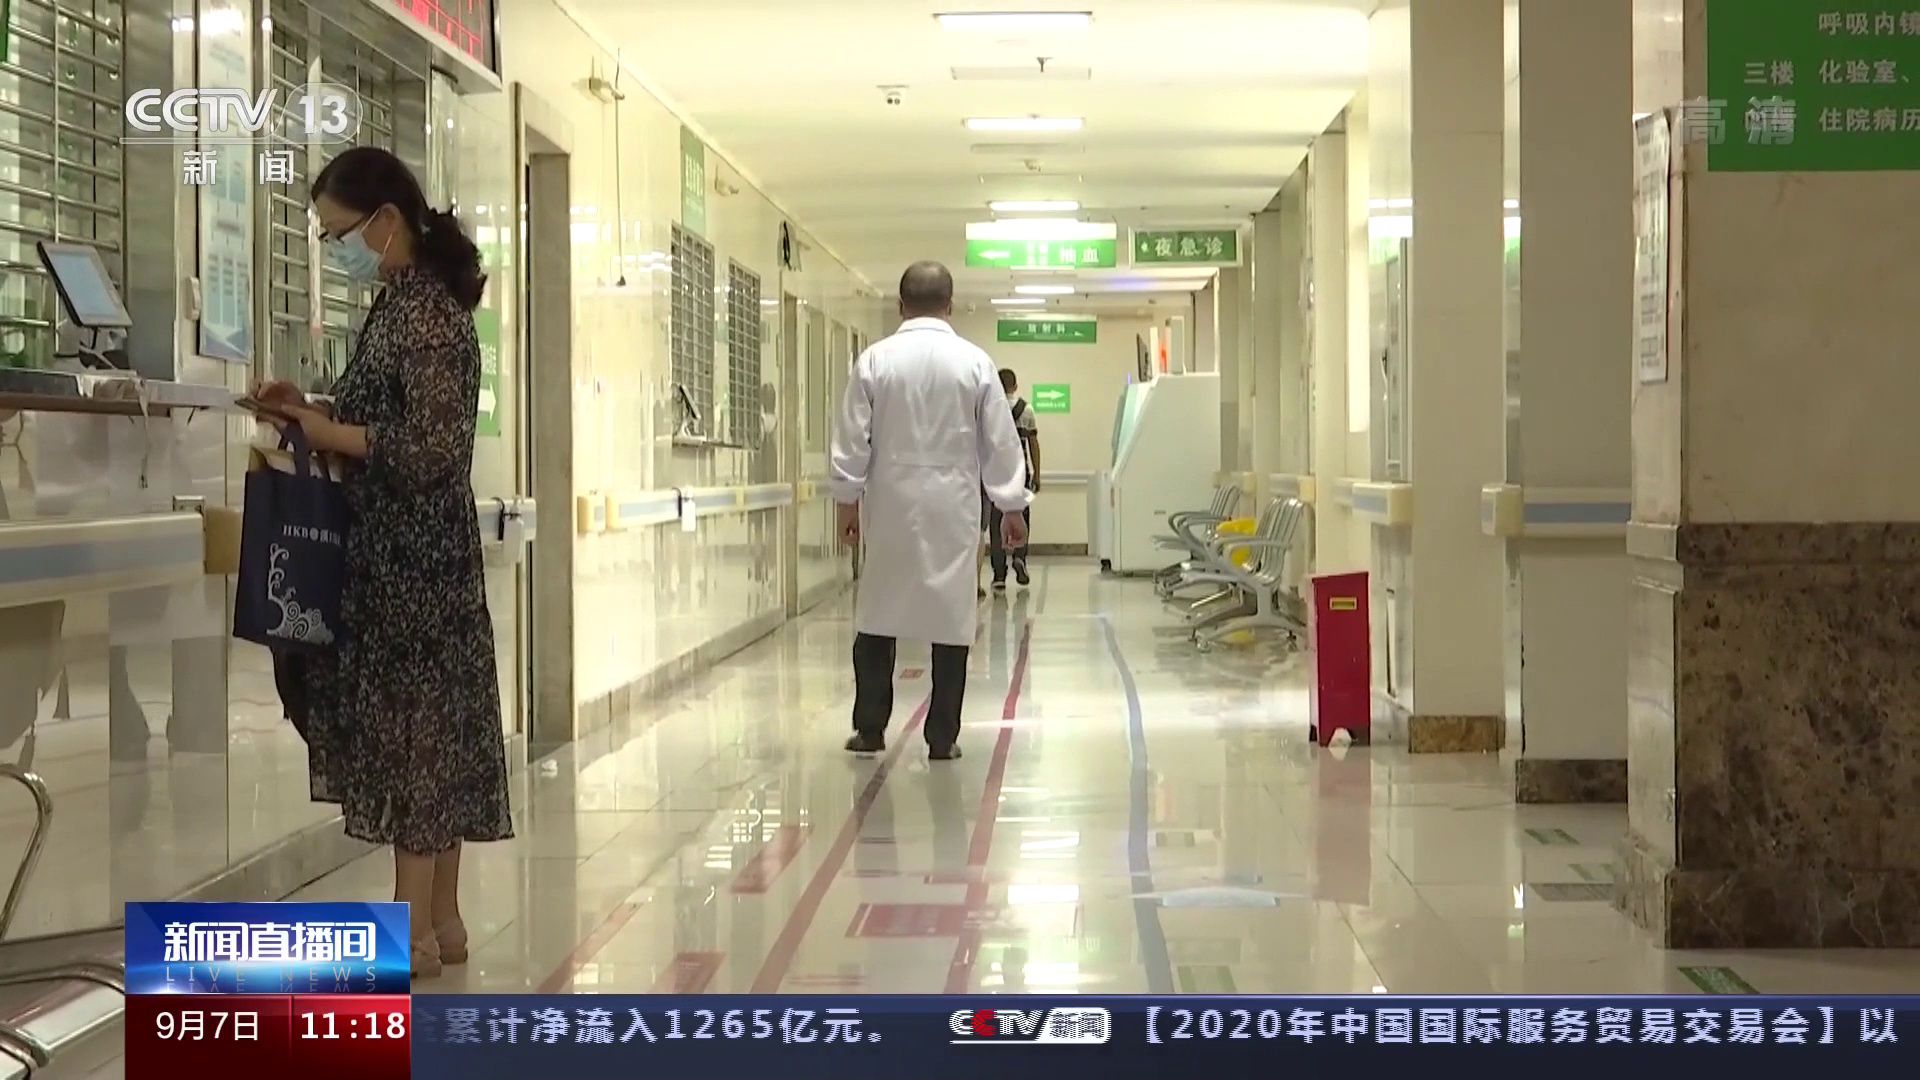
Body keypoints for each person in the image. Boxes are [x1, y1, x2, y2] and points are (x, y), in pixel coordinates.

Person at [249, 146, 512, 979]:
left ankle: (414, 932)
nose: (339, 252)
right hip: (401, 558)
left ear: (388, 222)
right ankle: (443, 923)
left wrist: (326, 432)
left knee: (417, 741)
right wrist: (308, 411)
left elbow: (429, 448)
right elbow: (384, 417)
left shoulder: (426, 314)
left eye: (341, 235)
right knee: (431, 735)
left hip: (415, 568)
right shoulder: (402, 306)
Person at [831, 261, 1030, 760]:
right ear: (950, 304)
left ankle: (870, 728)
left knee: (877, 614)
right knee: (951, 618)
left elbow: (852, 438)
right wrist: (1011, 505)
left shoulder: (875, 361)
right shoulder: (975, 364)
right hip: (953, 507)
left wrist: (846, 500)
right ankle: (942, 736)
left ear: (901, 305)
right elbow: (1000, 443)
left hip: (890, 504)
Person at [990, 368, 1042, 590]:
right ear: (1015, 386)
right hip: (1021, 472)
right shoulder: (1026, 409)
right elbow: (1033, 443)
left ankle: (999, 574)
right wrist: (1037, 473)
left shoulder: (992, 410)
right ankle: (1020, 556)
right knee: (1022, 516)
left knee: (996, 521)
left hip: (996, 473)